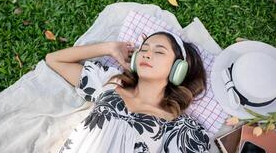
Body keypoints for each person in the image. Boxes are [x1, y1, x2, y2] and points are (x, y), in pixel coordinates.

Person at [45, 31, 210, 153]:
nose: (147, 55)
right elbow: (54, 59)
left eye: (159, 51)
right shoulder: (111, 83)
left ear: (177, 69)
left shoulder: (181, 129)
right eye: (143, 49)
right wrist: (110, 48)